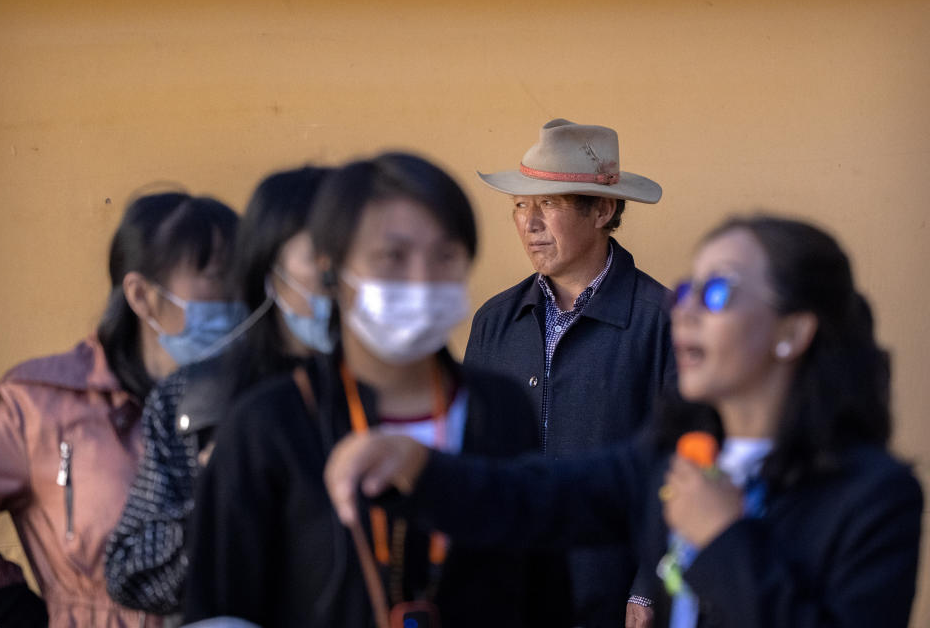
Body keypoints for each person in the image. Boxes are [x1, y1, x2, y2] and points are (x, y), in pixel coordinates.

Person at [325, 215, 924, 628]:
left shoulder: (875, 495)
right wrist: (420, 466)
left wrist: (724, 540)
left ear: (794, 331)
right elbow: (536, 495)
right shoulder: (673, 458)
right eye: (688, 289)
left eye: (717, 294)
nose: (683, 310)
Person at [183, 152, 569, 628]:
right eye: (393, 258)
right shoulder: (269, 425)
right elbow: (220, 608)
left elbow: (545, 597)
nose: (422, 280)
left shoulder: (502, 411)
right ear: (332, 268)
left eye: (445, 256)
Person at [0, 192, 241, 627]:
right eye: (218, 278)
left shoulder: (258, 396)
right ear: (142, 295)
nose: (238, 298)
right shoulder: (43, 406)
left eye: (246, 278)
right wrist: (30, 616)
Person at [466, 117, 675, 625]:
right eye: (520, 204)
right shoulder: (495, 321)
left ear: (603, 209)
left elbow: (681, 465)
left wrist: (647, 589)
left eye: (549, 204)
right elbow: (469, 459)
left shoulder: (663, 323)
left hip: (610, 602)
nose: (529, 222)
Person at [104, 167, 332, 621]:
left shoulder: (427, 389)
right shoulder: (191, 399)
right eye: (319, 257)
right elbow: (130, 575)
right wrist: (218, 499)